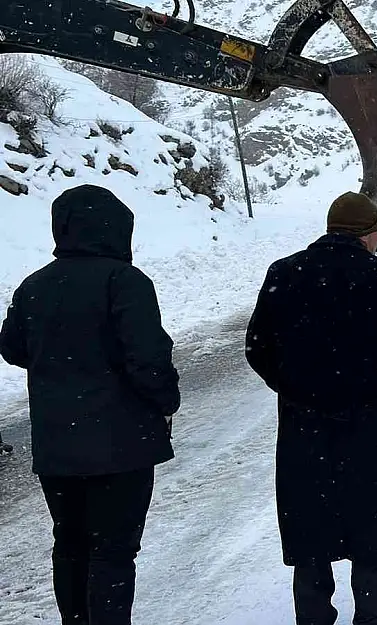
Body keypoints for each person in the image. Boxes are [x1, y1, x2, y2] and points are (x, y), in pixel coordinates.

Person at [0, 184, 180, 625]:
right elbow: (147, 359)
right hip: (121, 445)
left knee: (71, 543)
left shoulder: (35, 285)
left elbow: (12, 347)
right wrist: (165, 400)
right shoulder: (125, 281)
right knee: (114, 551)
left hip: (57, 445)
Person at [245, 191, 377, 625]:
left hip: (303, 429)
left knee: (310, 526)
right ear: (366, 234)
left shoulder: (284, 274)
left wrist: (295, 390)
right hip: (370, 427)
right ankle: (376, 614)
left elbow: (257, 349)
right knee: (373, 524)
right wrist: (376, 391)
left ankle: (313, 617)